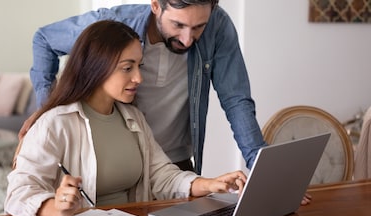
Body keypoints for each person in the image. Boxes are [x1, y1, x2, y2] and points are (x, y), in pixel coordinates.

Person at [5, 20, 247, 216]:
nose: (139, 78)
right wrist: (56, 208)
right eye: (127, 68)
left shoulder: (133, 118)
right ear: (96, 67)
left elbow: (161, 176)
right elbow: (18, 192)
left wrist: (211, 184)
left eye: (139, 66)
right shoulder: (54, 124)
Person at [23, 0, 266, 174]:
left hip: (174, 167)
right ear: (156, 6)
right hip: (113, 168)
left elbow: (236, 99)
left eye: (198, 27)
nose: (187, 39)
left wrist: (260, 167)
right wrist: (47, 112)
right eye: (178, 25)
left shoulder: (218, 26)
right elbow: (45, 39)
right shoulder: (115, 24)